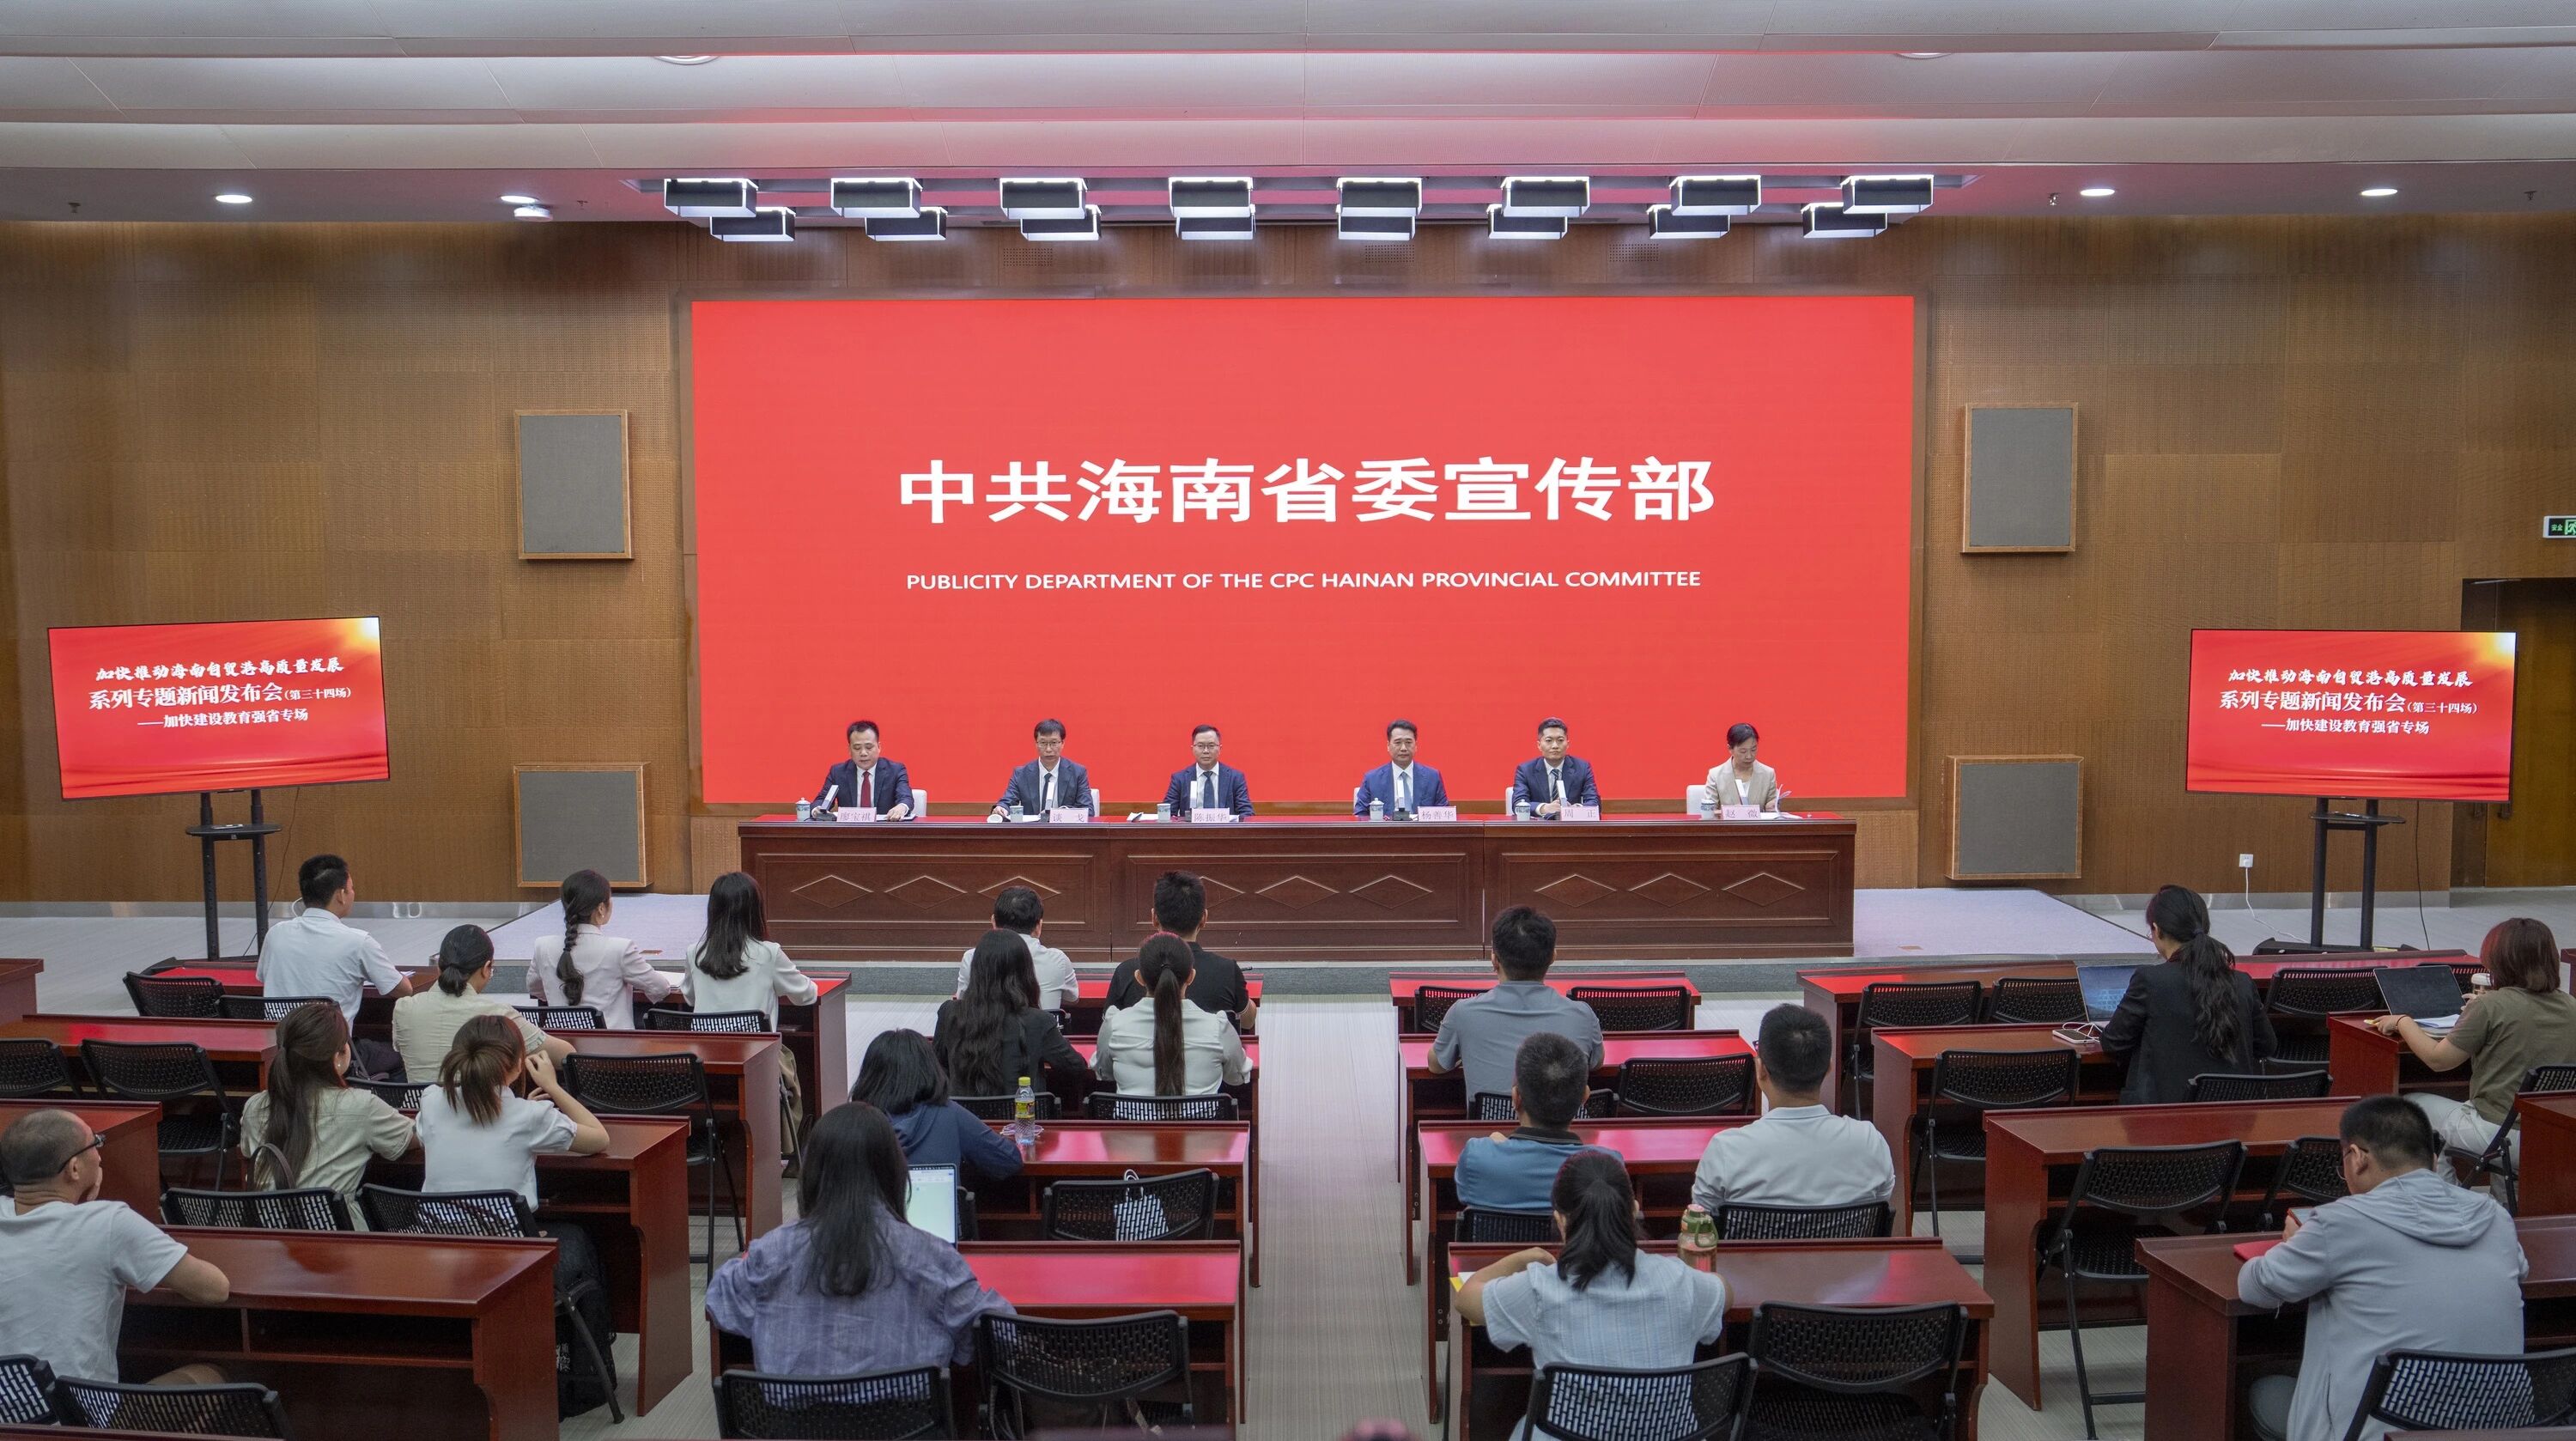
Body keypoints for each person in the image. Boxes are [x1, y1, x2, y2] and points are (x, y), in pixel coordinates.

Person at [2239, 1096, 2526, 1441]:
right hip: (2494, 1430)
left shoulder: (2339, 1222)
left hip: (2374, 1433)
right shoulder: (2495, 1217)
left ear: (2357, 1157)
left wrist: (2295, 1245)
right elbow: (2519, 1270)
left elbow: (2256, 1287)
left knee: (2263, 1390)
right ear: (2434, 1161)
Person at [705, 1103, 1014, 1377]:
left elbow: (719, 1300)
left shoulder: (771, 1254)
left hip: (795, 1420)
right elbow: (1001, 1330)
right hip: (905, 1419)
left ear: (811, 1176)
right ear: (896, 1174)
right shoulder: (933, 1258)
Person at [1456, 1150, 1728, 1441]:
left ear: (1561, 1221)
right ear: (1633, 1211)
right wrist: (1694, 1275)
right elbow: (1724, 1290)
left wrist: (1521, 1258)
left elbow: (1466, 1298)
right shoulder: (1681, 1281)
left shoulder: (1539, 1288)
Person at [0, 1109, 232, 1389]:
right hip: (77, 1413)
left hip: (10, 1409)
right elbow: (214, 1289)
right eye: (95, 1143)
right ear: (74, 1169)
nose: (100, 1156)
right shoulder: (109, 1223)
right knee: (213, 1375)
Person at [2370, 917, 2576, 1180]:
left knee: (2410, 1108)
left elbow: (2438, 1061)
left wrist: (2403, 1021)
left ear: (2499, 960)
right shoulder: (2571, 1006)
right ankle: (2500, 1199)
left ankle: (2447, 1196)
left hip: (2497, 1134)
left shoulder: (2488, 1006)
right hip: (2553, 1135)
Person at [1691, 1005, 1894, 1211]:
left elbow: (1702, 1220)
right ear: (1829, 1068)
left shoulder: (1726, 1150)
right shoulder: (1870, 1142)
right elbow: (1881, 1203)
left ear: (1760, 1070)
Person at [2100, 885, 2278, 1104]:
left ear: (2156, 930)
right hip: (2232, 1115)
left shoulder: (2150, 980)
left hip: (2161, 1117)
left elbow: (2113, 1043)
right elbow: (2266, 1046)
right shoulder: (2242, 982)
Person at [258, 852, 430, 1073]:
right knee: (403, 1056)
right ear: (341, 895)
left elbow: (263, 977)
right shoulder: (357, 942)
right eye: (351, 888)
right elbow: (404, 990)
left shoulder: (276, 934)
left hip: (282, 1054)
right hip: (333, 1055)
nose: (353, 893)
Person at [414, 1013, 610, 1207]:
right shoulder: (531, 1117)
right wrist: (552, 1086)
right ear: (518, 1064)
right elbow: (599, 1139)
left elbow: (433, 1140)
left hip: (435, 1227)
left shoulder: (431, 1101)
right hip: (505, 1228)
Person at [240, 1000, 415, 1202]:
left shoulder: (255, 1106)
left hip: (266, 1220)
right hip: (333, 1221)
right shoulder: (361, 1106)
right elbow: (416, 1136)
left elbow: (248, 1152)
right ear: (338, 1057)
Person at [1430, 906, 1603, 1106]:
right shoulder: (1582, 1014)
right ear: (1553, 957)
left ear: (1494, 959)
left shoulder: (1462, 1013)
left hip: (1491, 1126)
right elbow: (1596, 1063)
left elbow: (1437, 1065)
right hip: (1567, 1126)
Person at [1454, 1033, 1620, 1213]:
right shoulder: (1609, 1168)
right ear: (1585, 1097)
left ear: (1516, 1098)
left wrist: (1498, 1148)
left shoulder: (1477, 1157)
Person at [391, 924, 571, 1084]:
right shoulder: (496, 1015)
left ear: (439, 967)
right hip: (479, 1110)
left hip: (418, 1109)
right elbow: (566, 1056)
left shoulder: (403, 1008)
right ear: (486, 969)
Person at [853, 1029, 1023, 1187]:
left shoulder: (852, 1121)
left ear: (869, 1076)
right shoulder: (949, 1114)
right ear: (929, 1070)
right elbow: (1008, 1161)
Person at [935, 930, 1089, 1098]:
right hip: (1022, 1114)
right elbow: (1076, 1067)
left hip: (962, 1114)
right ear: (1025, 972)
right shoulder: (1039, 1021)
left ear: (976, 970)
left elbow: (937, 1067)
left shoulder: (949, 1013)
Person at [1093, 933, 1250, 1097]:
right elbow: (1238, 1077)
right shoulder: (1218, 1028)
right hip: (1203, 1115)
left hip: (1131, 1115)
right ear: (1191, 976)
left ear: (1139, 978)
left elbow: (1104, 1073)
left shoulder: (1114, 1024)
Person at [1106, 872, 1255, 1028]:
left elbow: (1108, 1027)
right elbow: (1247, 1022)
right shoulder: (1227, 970)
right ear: (1204, 918)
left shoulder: (1126, 972)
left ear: (1154, 917)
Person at [530, 868, 675, 1030]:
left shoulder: (542, 945)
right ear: (601, 908)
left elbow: (535, 988)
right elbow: (660, 989)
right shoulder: (620, 949)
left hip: (561, 1041)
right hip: (613, 1043)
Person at [954, 885, 1078, 1014]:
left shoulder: (972, 958)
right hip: (1039, 1026)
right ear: (1039, 926)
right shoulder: (1058, 960)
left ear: (994, 922)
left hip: (987, 1027)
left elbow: (963, 999)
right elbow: (1072, 998)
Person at [990, 718, 1092, 819]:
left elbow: (1088, 810)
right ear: (1036, 744)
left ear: (1062, 744)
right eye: (1043, 743)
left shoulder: (1077, 773)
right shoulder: (1021, 774)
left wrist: (1059, 814)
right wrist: (1001, 808)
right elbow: (1008, 800)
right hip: (1032, 829)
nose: (1048, 749)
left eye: (1054, 743)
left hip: (1064, 829)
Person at [815, 719, 914, 819]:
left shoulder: (895, 770)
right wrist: (817, 809)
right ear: (849, 749)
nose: (863, 753)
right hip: (849, 828)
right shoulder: (838, 772)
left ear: (879, 747)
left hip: (884, 828)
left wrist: (902, 807)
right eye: (857, 748)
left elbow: (906, 798)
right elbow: (821, 800)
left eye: (869, 747)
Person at [1355, 718, 1449, 818]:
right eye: (1398, 743)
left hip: (1421, 828)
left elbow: (1444, 814)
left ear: (1416, 745)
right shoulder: (1372, 779)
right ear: (1388, 746)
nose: (1403, 748)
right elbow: (1360, 815)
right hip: (1387, 828)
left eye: (1408, 742)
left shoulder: (1433, 777)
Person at [1509, 717, 1600, 818]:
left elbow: (1594, 803)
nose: (1555, 746)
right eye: (1549, 740)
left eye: (1560, 740)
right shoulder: (1525, 770)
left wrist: (1573, 810)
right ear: (1539, 745)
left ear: (1567, 744)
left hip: (1571, 826)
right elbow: (1518, 804)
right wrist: (1544, 808)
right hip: (1537, 826)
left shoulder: (1582, 768)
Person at [1161, 723, 1253, 819]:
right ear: (1193, 749)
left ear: (1220, 748)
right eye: (1200, 746)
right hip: (1191, 829)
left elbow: (1247, 813)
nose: (1206, 751)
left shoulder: (1235, 778)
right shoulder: (1180, 779)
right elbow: (1167, 815)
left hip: (1225, 828)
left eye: (1211, 745)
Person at [1702, 722, 1781, 812]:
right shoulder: (1715, 775)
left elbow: (1772, 808)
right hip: (1727, 822)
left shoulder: (1768, 774)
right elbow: (1709, 812)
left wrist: (1772, 808)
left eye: (1753, 749)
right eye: (1743, 751)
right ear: (1730, 749)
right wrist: (1733, 812)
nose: (1749, 756)